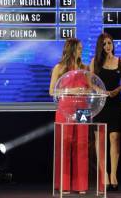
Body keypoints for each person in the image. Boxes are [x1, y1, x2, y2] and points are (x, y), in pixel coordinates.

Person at [49, 38, 90, 194]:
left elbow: (90, 89)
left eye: (81, 48)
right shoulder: (59, 68)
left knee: (82, 145)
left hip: (83, 109)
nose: (81, 51)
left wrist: (85, 91)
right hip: (65, 109)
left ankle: (81, 185)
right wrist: (71, 91)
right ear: (71, 49)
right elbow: (52, 91)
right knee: (64, 146)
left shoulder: (85, 68)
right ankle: (63, 184)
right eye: (79, 48)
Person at [90, 33, 121, 192]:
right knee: (100, 139)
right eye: (104, 44)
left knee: (115, 137)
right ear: (100, 46)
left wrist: (117, 90)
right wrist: (101, 91)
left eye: (109, 43)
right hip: (100, 103)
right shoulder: (94, 62)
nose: (107, 46)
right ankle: (104, 174)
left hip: (115, 103)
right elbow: (89, 81)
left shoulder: (120, 61)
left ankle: (113, 174)